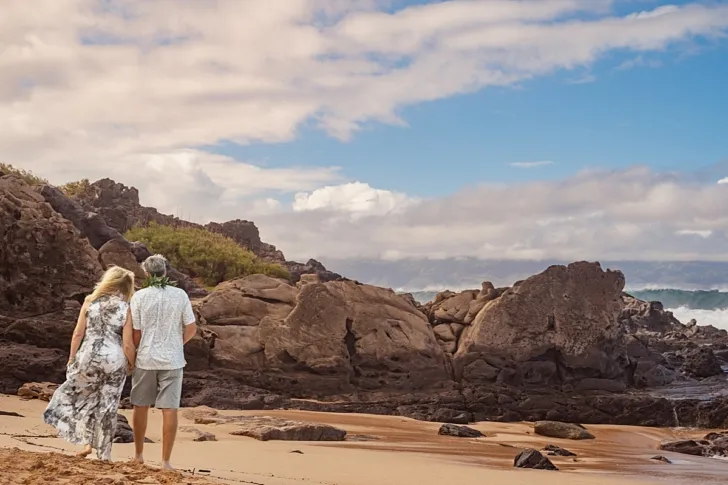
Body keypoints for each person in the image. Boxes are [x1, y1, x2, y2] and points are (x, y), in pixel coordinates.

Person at [43, 266, 137, 461]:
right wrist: (132, 363)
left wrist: (71, 357)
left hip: (88, 356)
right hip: (114, 359)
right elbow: (128, 343)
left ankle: (86, 443)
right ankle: (105, 455)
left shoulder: (89, 301)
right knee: (108, 407)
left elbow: (78, 333)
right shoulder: (126, 307)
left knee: (86, 398)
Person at [130, 254, 197, 470]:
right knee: (170, 409)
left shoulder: (139, 297)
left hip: (146, 358)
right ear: (166, 271)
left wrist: (132, 354)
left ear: (147, 274)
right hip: (172, 359)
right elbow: (191, 328)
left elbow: (137, 333)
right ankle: (166, 462)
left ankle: (139, 455)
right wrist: (178, 343)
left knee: (140, 405)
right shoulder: (180, 295)